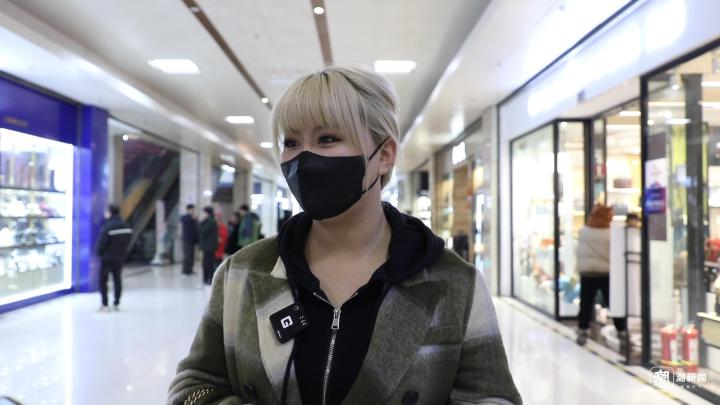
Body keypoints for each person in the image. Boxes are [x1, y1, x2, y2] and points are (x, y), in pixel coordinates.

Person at [168, 67, 521, 404]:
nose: (303, 157)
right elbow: (194, 386)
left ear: (384, 155)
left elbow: (492, 397)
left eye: (327, 139)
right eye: (291, 141)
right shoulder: (241, 274)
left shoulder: (454, 283)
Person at [575, 203, 627, 345]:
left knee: (585, 304)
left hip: (587, 273)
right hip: (605, 273)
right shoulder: (609, 234)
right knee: (613, 303)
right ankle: (622, 331)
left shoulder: (583, 232)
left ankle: (582, 331)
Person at [95, 204, 132, 312]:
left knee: (103, 280)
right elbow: (128, 241)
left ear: (109, 212)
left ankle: (105, 304)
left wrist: (99, 253)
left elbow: (102, 243)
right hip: (120, 257)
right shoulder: (126, 226)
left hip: (107, 258)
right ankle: (116, 302)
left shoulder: (108, 226)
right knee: (117, 279)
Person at [198, 206, 219, 285]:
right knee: (207, 263)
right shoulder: (209, 220)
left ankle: (209, 279)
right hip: (208, 246)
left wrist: (199, 222)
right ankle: (206, 278)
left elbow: (203, 231)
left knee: (208, 263)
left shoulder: (210, 221)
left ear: (207, 213)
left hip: (209, 247)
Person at [180, 204, 199, 275]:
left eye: (193, 209)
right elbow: (182, 220)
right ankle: (185, 270)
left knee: (191, 256)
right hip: (187, 240)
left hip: (193, 240)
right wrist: (191, 218)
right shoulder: (185, 217)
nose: (193, 211)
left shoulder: (194, 218)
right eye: (191, 209)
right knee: (187, 255)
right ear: (188, 210)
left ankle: (190, 269)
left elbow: (196, 228)